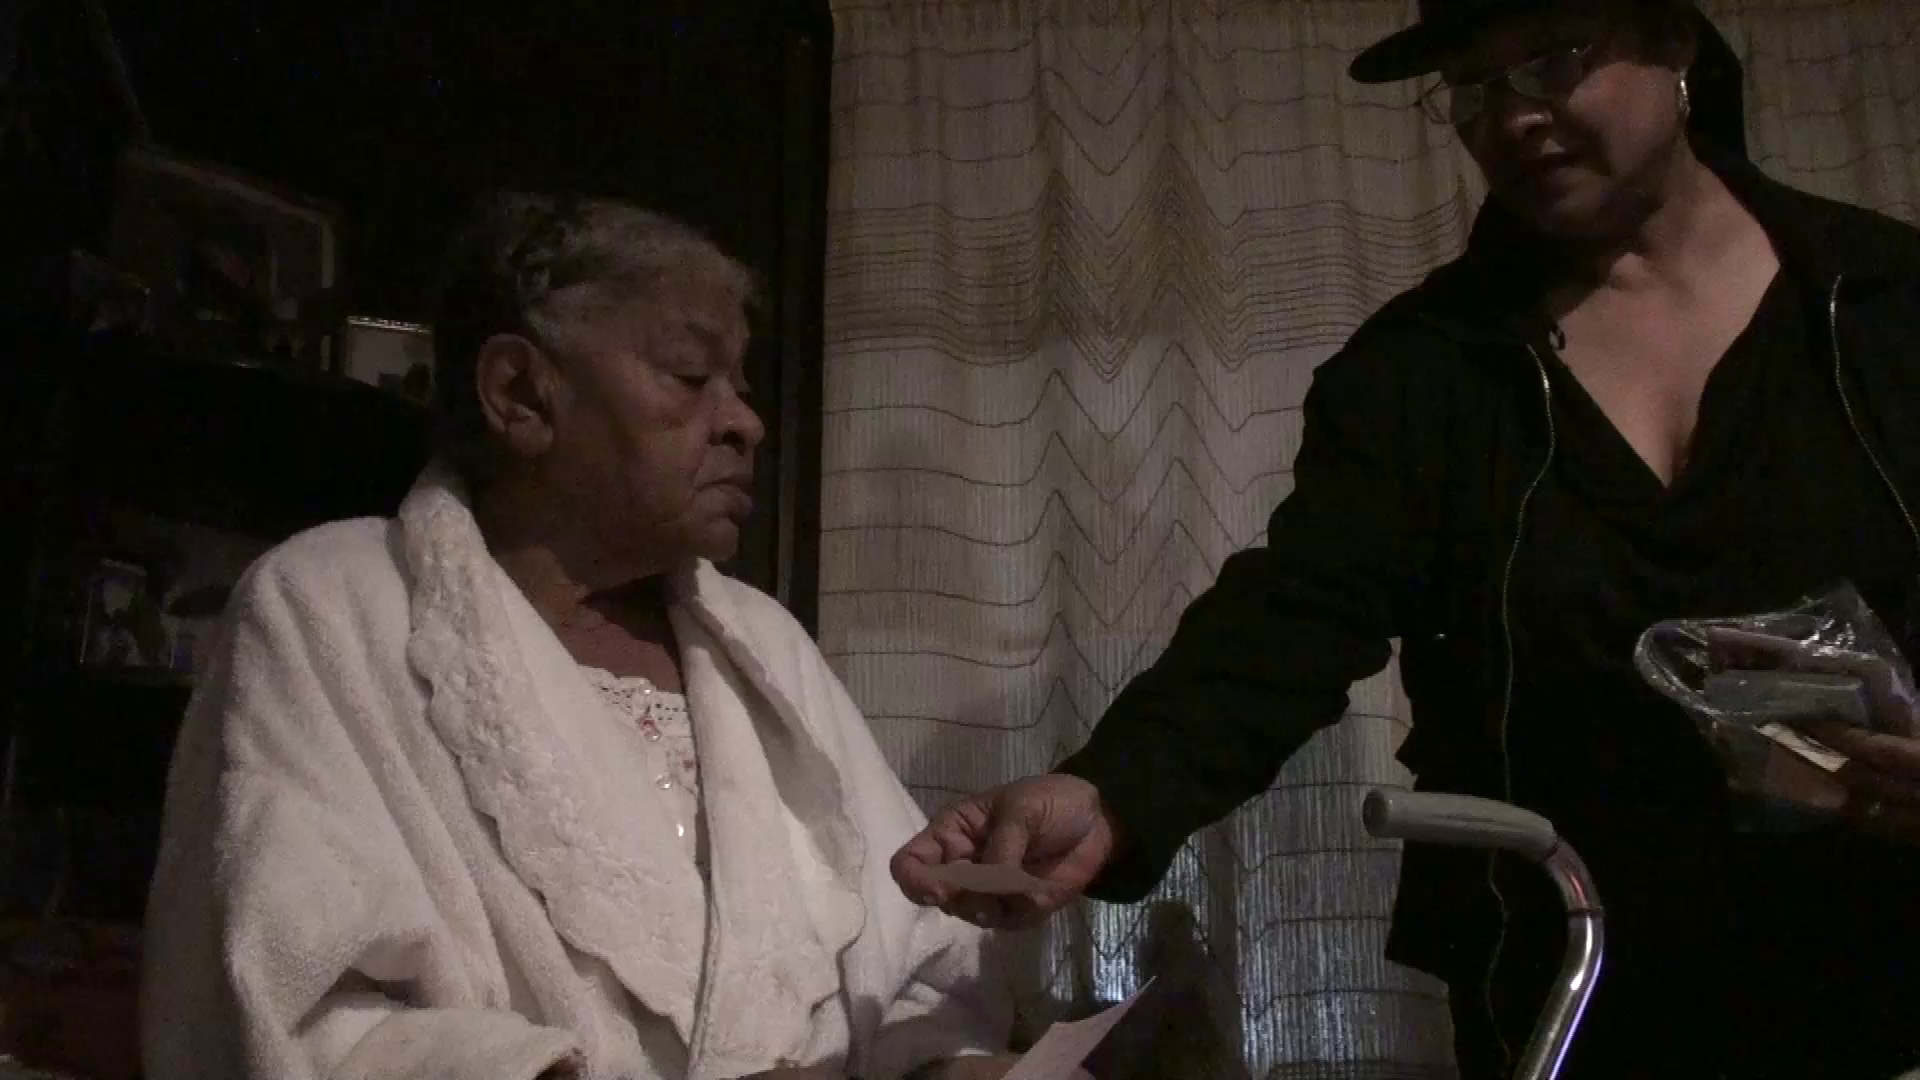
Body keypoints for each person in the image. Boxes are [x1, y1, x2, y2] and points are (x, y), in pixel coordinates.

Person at [892, 1, 1920, 1077]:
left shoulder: (1884, 302)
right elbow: (1294, 616)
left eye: (1552, 55)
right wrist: (1111, 792)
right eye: (1473, 90)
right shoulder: (1424, 369)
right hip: (1575, 991)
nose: (1512, 117)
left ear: (1675, 47)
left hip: (1893, 973)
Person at [143, 194, 1022, 1080]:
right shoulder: (330, 605)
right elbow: (287, 1010)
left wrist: (943, 1067)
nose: (744, 422)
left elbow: (918, 971)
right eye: (690, 376)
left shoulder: (767, 646)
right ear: (521, 394)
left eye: (743, 388)